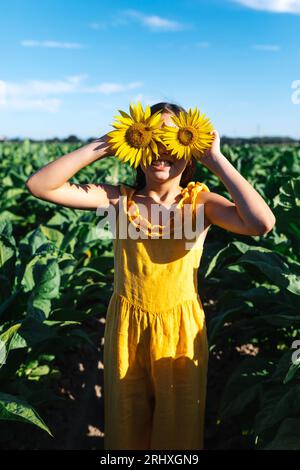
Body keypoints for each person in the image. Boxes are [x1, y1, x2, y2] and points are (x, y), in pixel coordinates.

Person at [25, 102, 276, 450]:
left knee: (178, 429)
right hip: (126, 327)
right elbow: (40, 185)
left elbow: (261, 223)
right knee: (126, 424)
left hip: (181, 330)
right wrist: (109, 142)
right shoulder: (117, 200)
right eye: (151, 138)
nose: (160, 149)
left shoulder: (200, 203)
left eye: (171, 139)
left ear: (188, 150)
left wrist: (215, 159)